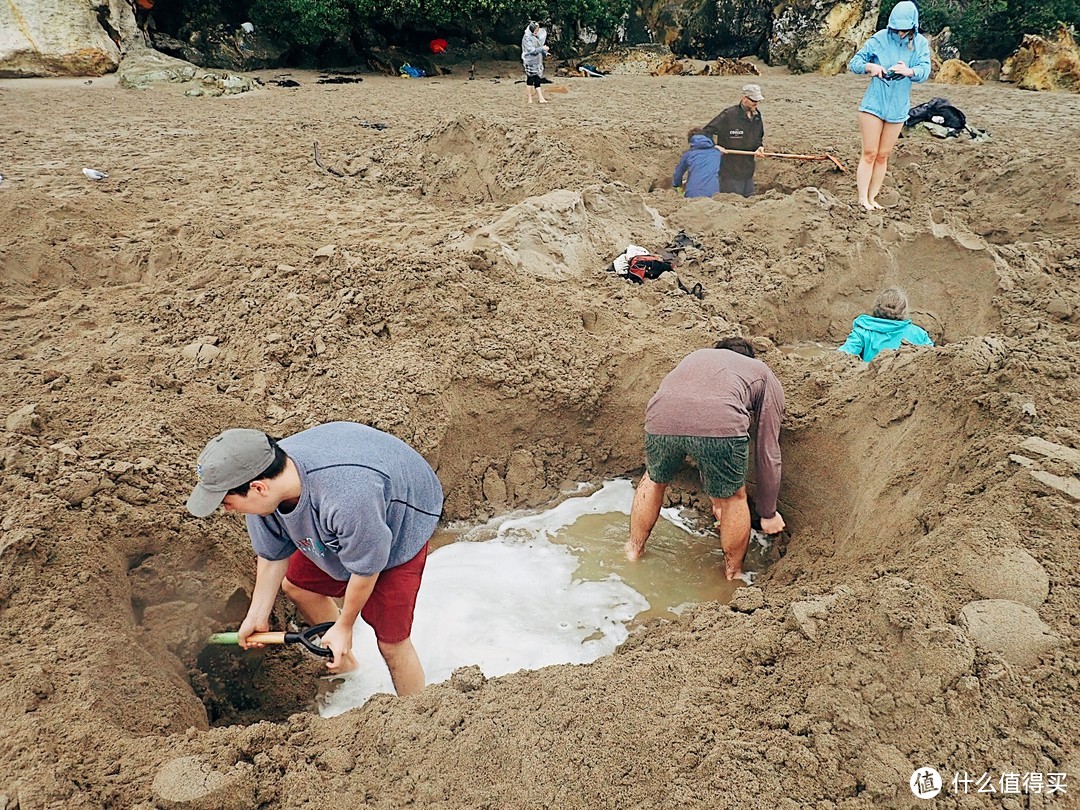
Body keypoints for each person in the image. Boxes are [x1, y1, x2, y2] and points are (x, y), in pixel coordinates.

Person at [186, 422, 443, 696]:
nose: (226, 511)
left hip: (398, 517)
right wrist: (256, 615)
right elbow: (272, 557)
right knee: (298, 587)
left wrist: (344, 626)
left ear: (258, 488)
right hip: (346, 514)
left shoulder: (348, 498)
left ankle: (419, 714)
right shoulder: (263, 485)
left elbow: (367, 568)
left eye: (226, 502)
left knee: (392, 644)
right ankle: (347, 668)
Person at [625, 337, 786, 581]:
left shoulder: (696, 357)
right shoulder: (761, 371)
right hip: (720, 425)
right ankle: (732, 575)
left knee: (654, 479)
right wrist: (768, 513)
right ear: (749, 358)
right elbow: (767, 450)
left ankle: (632, 551)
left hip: (660, 417)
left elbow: (694, 412)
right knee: (734, 498)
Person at [849, 1, 931, 210]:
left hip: (898, 109)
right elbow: (854, 63)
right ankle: (862, 199)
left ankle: (873, 198)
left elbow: (925, 70)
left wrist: (909, 71)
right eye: (897, 29)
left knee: (883, 155)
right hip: (874, 104)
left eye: (905, 29)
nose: (901, 33)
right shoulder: (879, 38)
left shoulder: (920, 43)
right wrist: (871, 67)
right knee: (869, 152)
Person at [703, 84, 766, 197]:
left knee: (750, 200)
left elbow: (758, 136)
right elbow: (706, 132)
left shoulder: (757, 116)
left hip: (748, 171)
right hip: (730, 172)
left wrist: (759, 147)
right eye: (753, 100)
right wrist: (714, 146)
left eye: (757, 100)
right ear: (744, 98)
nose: (756, 103)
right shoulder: (729, 115)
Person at [838, 288, 934, 362]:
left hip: (871, 384)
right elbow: (933, 359)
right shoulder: (919, 334)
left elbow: (841, 357)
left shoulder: (863, 331)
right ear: (904, 310)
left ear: (877, 307)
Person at [672, 127, 722, 198]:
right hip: (713, 194)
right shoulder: (716, 153)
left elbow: (678, 174)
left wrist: (677, 185)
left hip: (692, 194)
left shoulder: (688, 154)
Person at [521, 21, 550, 104]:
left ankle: (541, 98)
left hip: (537, 61)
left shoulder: (536, 37)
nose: (537, 31)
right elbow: (532, 50)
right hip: (529, 61)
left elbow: (538, 48)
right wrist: (543, 48)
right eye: (536, 29)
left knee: (537, 79)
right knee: (530, 79)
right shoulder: (527, 38)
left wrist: (545, 53)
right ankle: (529, 98)